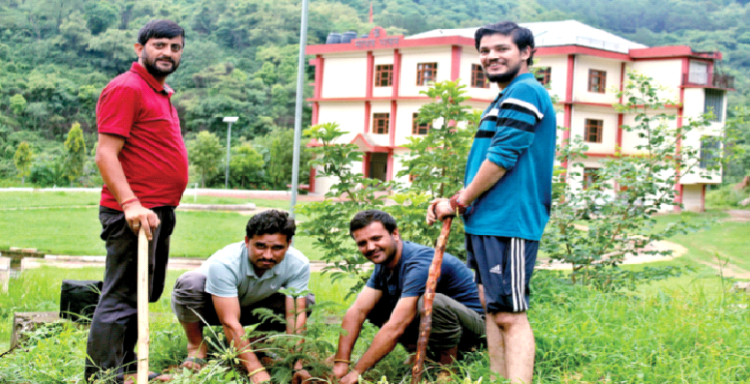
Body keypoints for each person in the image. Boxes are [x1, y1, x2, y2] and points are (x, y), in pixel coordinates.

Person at [427, 21, 556, 384]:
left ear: (526, 52)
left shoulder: (525, 92)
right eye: (485, 51)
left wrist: (459, 202)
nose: (491, 56)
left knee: (510, 315)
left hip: (508, 219)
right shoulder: (505, 96)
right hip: (487, 219)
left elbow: (502, 157)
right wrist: (459, 200)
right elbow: (489, 162)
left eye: (502, 49)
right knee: (493, 312)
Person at [86, 19, 189, 383]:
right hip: (132, 213)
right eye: (160, 45)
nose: (168, 53)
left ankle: (128, 368)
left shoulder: (161, 92)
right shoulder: (126, 88)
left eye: (175, 47)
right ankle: (103, 377)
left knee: (142, 294)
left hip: (159, 211)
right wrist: (130, 203)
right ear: (139, 48)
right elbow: (105, 154)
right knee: (121, 298)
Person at [332, 210, 485, 384]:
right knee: (375, 304)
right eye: (362, 243)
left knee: (432, 302)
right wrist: (341, 363)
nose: (370, 247)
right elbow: (357, 311)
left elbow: (396, 326)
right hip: (446, 328)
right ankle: (422, 356)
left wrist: (356, 372)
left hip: (476, 333)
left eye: (376, 238)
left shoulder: (419, 263)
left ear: (395, 233)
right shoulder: (386, 262)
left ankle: (447, 370)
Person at [171, 210, 314, 384]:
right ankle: (196, 347)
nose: (268, 255)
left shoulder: (298, 264)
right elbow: (229, 321)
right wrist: (255, 369)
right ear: (247, 241)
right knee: (189, 283)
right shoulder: (225, 262)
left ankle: (254, 344)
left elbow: (295, 316)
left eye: (277, 248)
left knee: (305, 301)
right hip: (211, 309)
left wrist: (296, 364)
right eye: (260, 246)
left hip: (252, 307)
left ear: (289, 244)